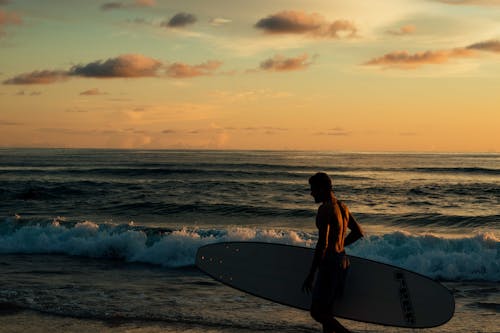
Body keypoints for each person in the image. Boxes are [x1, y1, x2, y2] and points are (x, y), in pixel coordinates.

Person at [302, 172, 364, 333]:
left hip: (330, 263)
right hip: (342, 261)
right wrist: (339, 245)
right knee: (327, 311)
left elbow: (322, 244)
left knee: (317, 312)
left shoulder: (325, 210)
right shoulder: (342, 207)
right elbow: (358, 232)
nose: (311, 193)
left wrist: (311, 274)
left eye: (313, 189)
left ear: (322, 188)